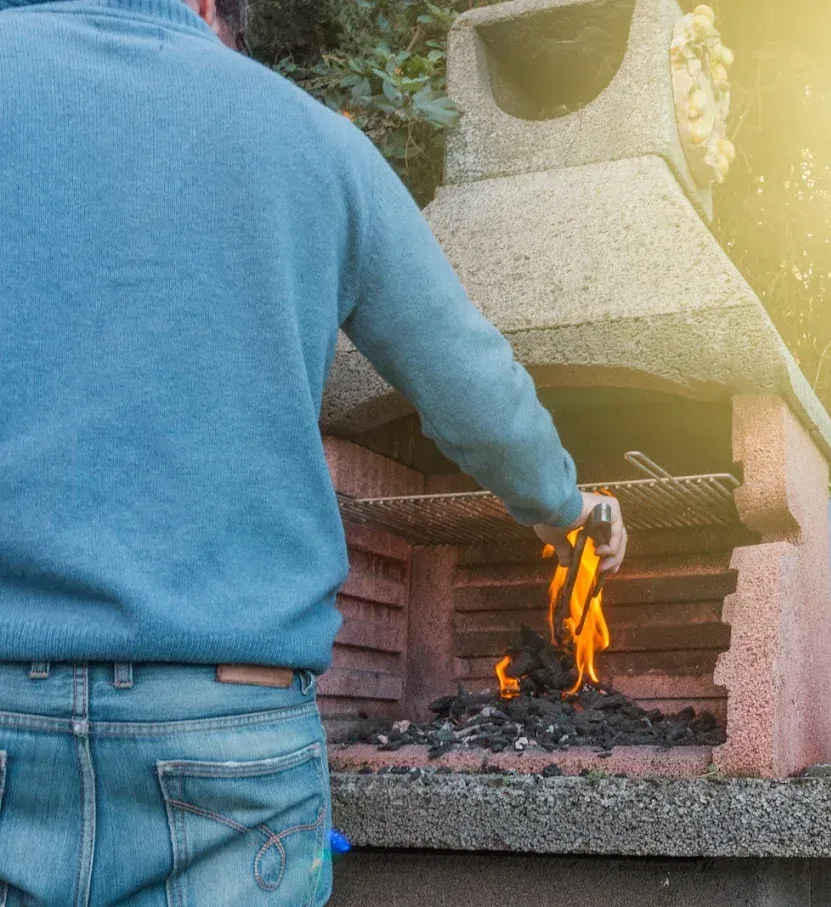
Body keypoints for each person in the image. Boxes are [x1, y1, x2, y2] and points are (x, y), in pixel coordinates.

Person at [0, 0, 626, 901]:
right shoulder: (311, 139)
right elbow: (471, 386)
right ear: (213, 8)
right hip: (230, 730)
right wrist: (564, 507)